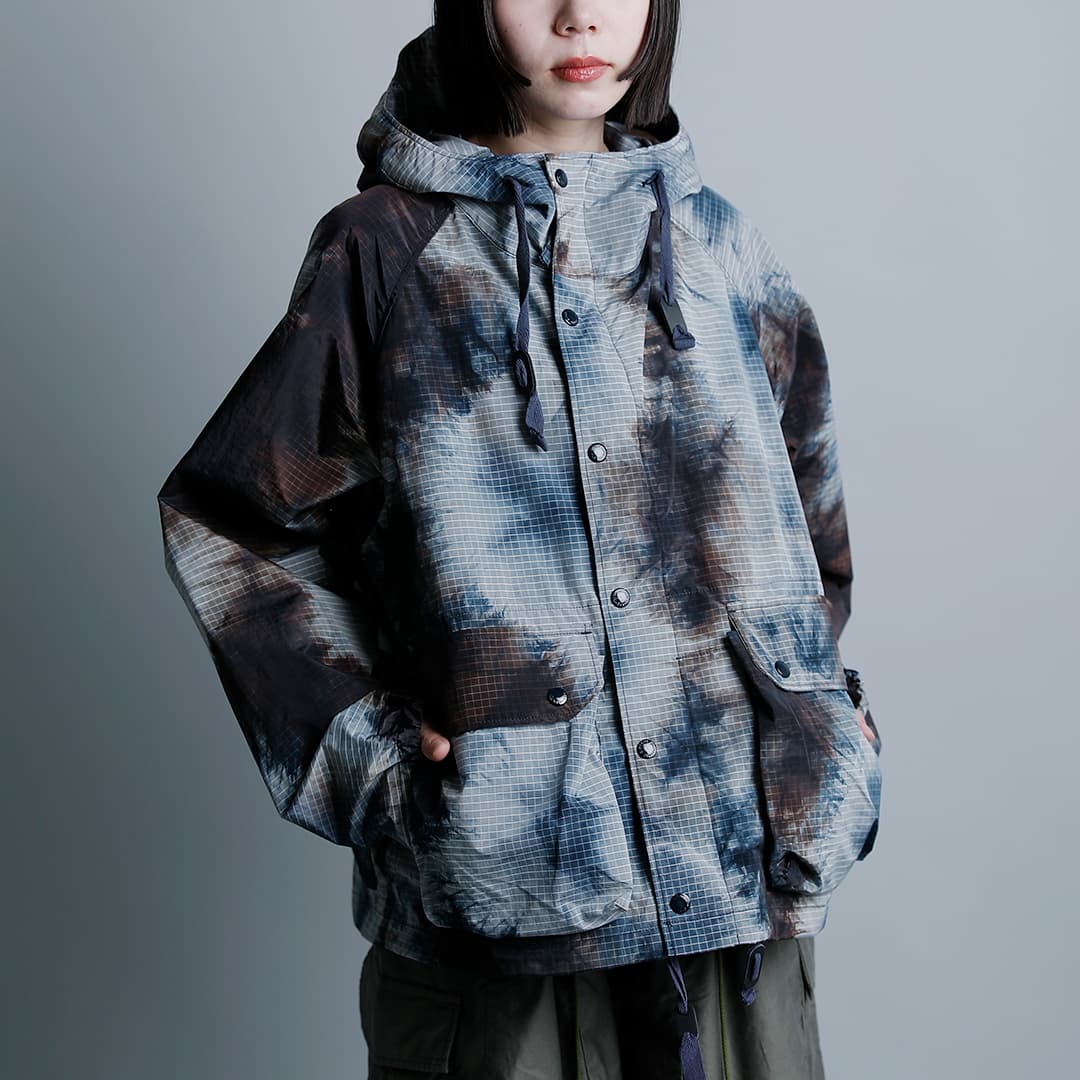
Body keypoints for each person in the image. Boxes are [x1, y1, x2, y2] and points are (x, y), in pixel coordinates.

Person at [156, 1, 883, 1076]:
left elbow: (807, 529)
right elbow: (235, 524)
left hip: (742, 897)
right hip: (507, 903)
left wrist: (818, 719)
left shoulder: (722, 245)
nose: (581, 14)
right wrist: (372, 760)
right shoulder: (385, 252)